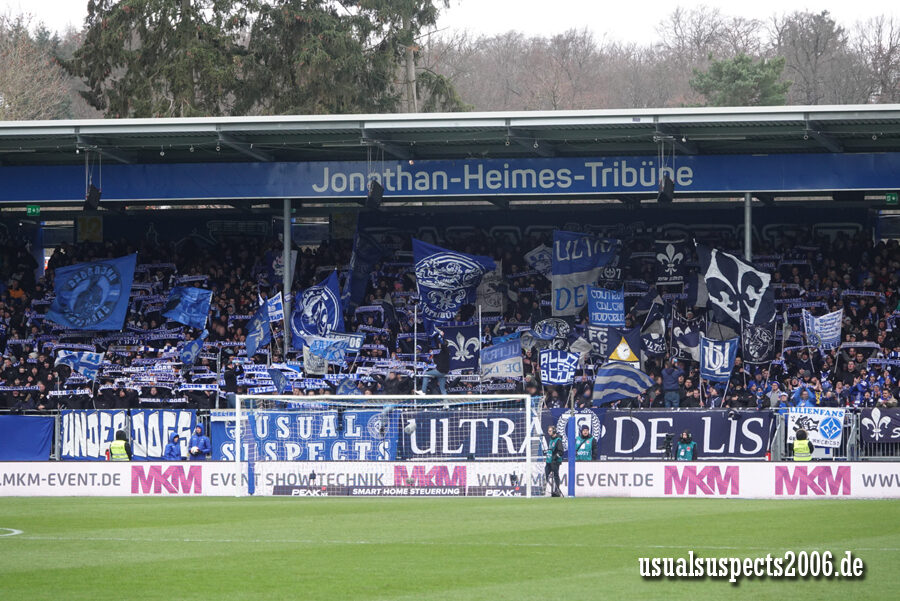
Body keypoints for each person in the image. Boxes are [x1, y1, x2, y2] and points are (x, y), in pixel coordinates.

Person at [544, 425, 564, 497]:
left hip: (555, 462)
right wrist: (547, 452)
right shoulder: (551, 439)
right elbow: (552, 450)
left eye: (550, 431)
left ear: (554, 431)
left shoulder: (558, 440)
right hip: (549, 461)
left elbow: (561, 452)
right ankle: (543, 490)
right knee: (545, 474)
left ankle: (557, 490)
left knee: (556, 476)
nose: (548, 432)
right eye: (548, 431)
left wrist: (554, 458)